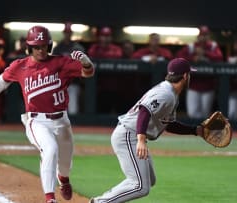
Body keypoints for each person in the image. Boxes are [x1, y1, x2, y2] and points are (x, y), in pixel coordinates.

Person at [0, 25, 95, 203]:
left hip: (62, 120)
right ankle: (50, 198)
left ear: (49, 46)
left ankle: (64, 180)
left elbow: (88, 73)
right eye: (36, 46)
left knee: (65, 163)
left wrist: (86, 62)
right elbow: (2, 81)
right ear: (29, 48)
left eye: (43, 45)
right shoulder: (20, 66)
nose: (40, 49)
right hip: (37, 121)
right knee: (50, 149)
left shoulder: (60, 62)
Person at [89, 58, 203, 203]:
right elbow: (144, 111)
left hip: (131, 134)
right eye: (190, 74)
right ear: (185, 76)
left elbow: (169, 124)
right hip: (128, 135)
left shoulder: (170, 92)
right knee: (141, 186)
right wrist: (141, 140)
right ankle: (100, 202)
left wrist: (195, 131)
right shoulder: (166, 94)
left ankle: (102, 200)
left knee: (148, 180)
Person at [176, 25, 223, 119]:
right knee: (192, 113)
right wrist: (192, 58)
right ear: (198, 36)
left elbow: (220, 58)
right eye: (202, 35)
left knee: (205, 114)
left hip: (208, 86)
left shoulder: (213, 46)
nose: (203, 37)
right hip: (193, 85)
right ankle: (196, 130)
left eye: (205, 35)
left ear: (208, 36)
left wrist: (205, 53)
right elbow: (178, 57)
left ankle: (202, 131)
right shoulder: (191, 46)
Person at [52, 22, 86, 115]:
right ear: (64, 33)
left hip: (73, 82)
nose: (67, 34)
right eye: (66, 32)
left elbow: (82, 64)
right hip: (60, 83)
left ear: (71, 33)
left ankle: (74, 129)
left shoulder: (78, 47)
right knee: (60, 110)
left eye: (69, 32)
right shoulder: (58, 48)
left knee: (73, 110)